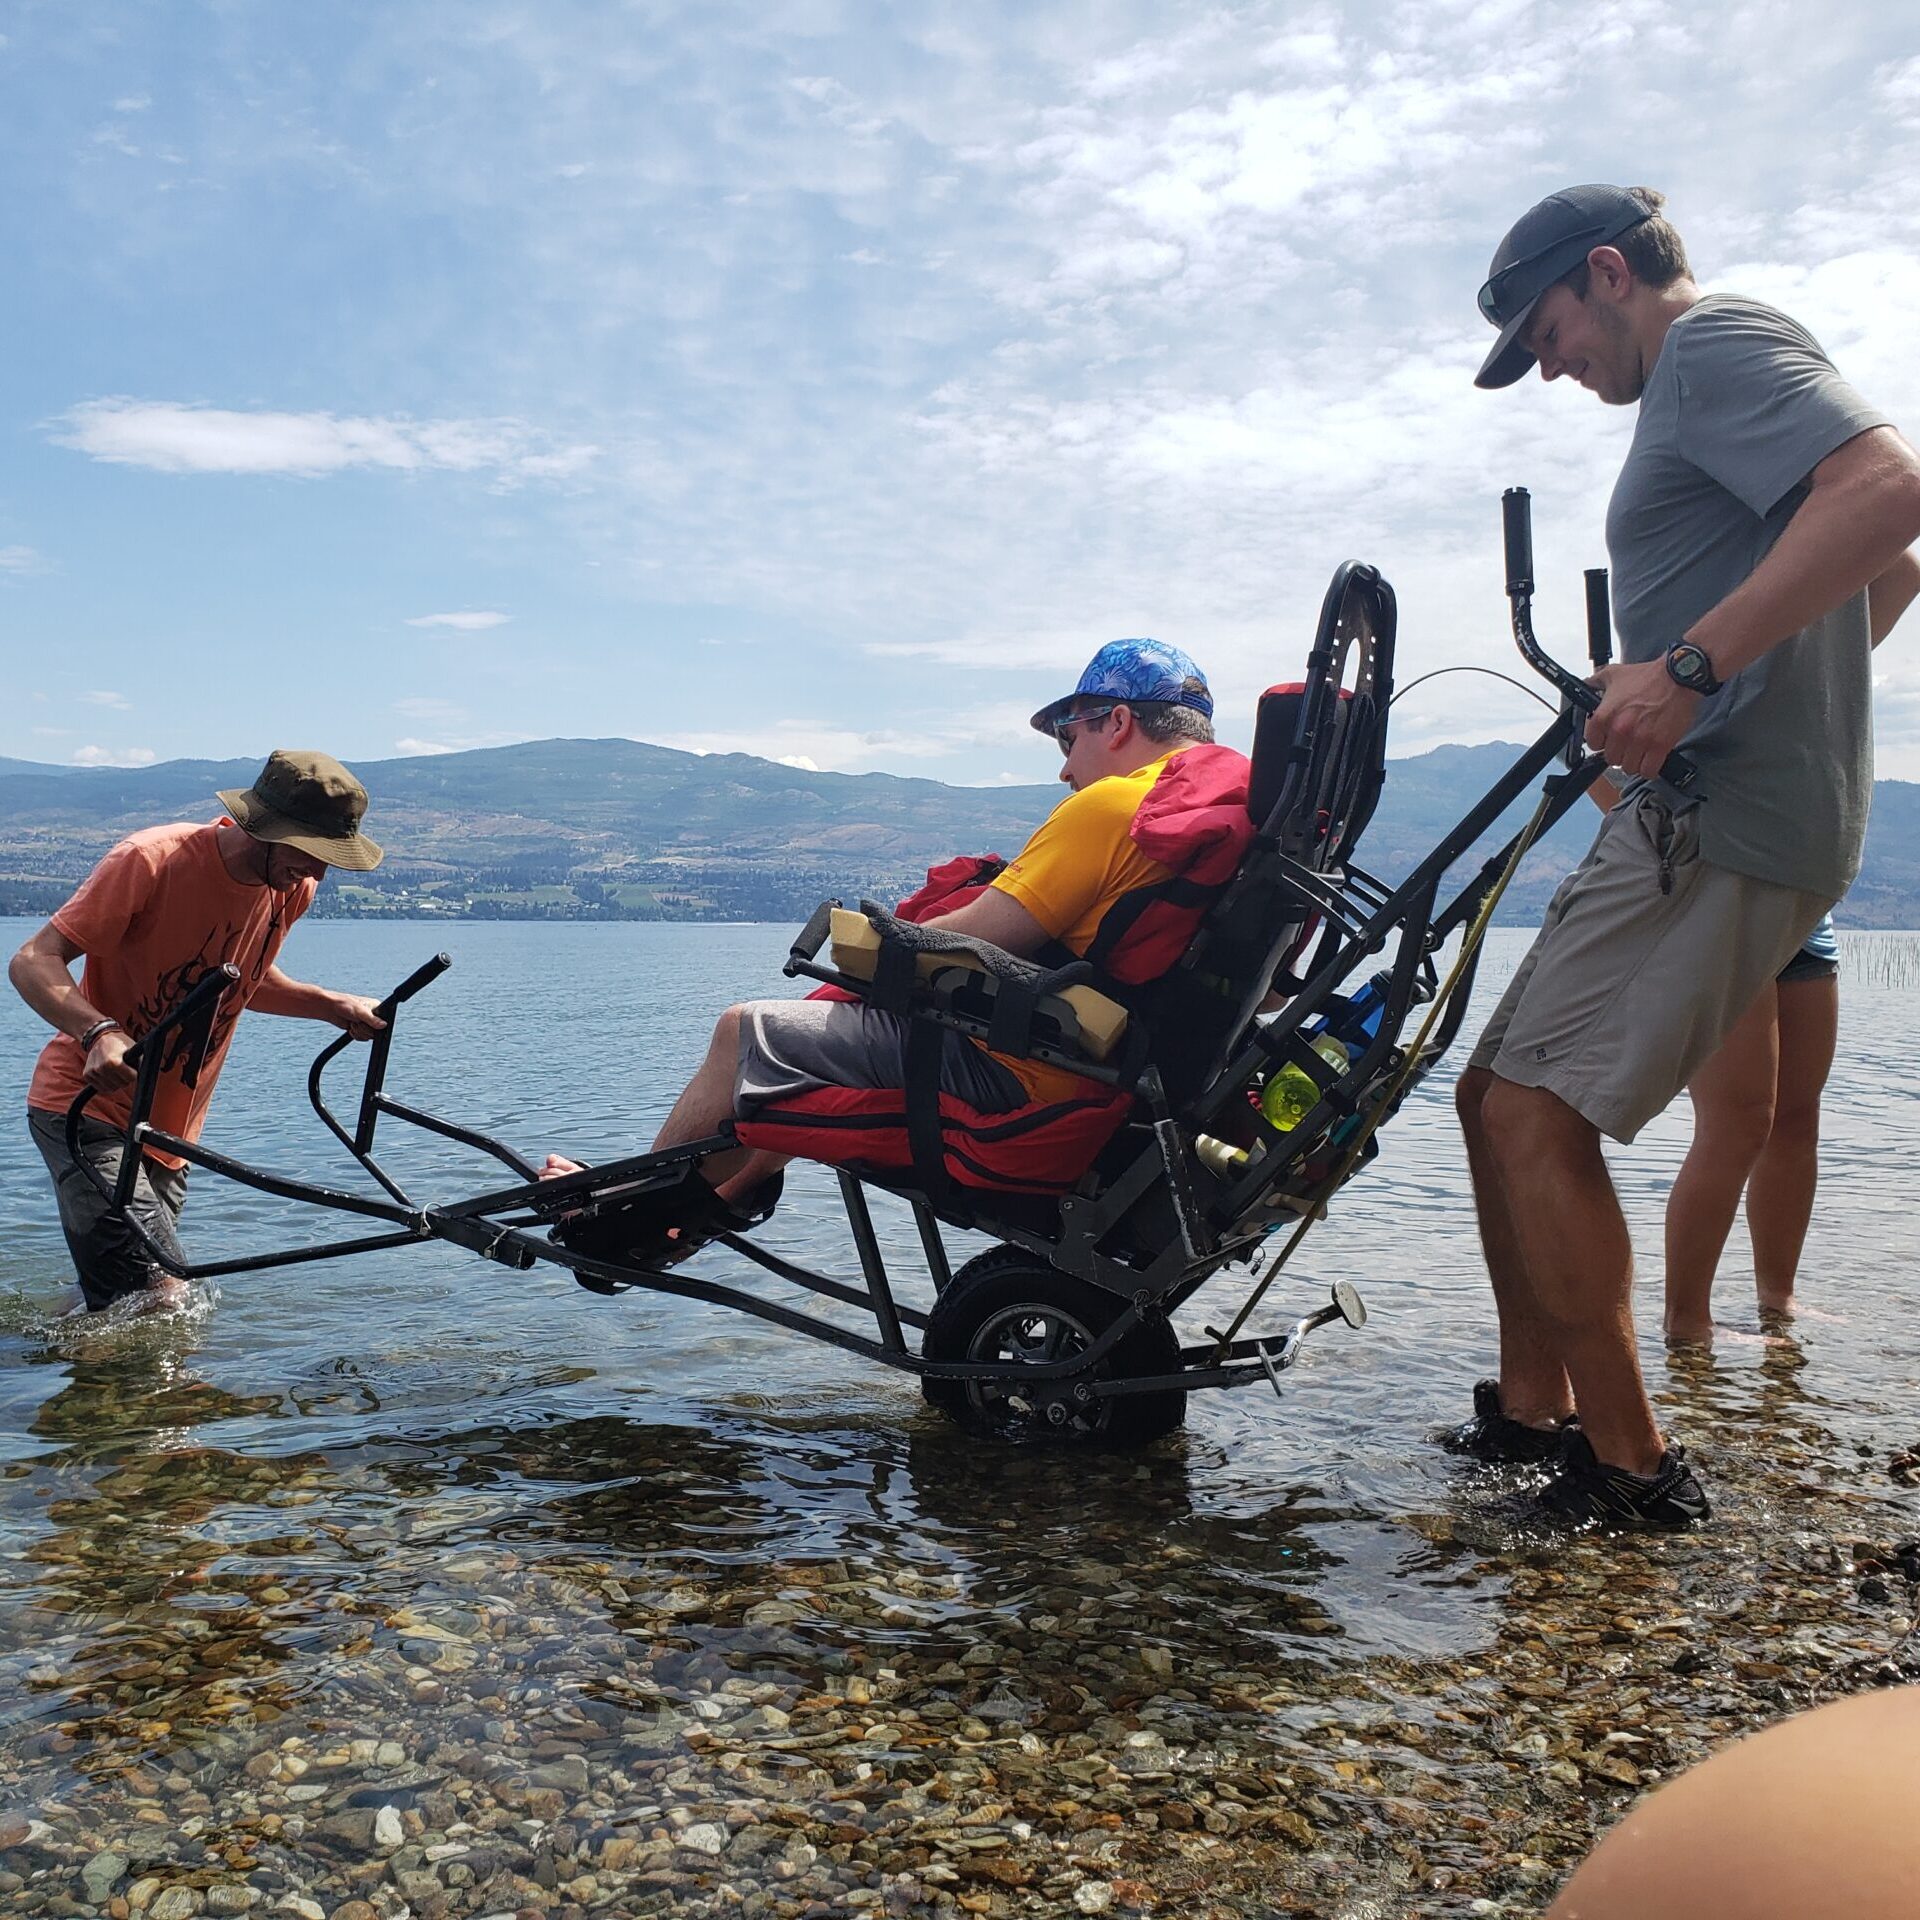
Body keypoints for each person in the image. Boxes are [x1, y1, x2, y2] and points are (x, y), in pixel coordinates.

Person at [1447, 183, 1920, 1527]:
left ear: (1606, 272)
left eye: (1547, 332)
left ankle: (1633, 1470)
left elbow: (1893, 494)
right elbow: (1881, 581)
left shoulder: (1714, 345)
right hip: (1694, 805)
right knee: (1491, 1100)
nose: (1549, 365)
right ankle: (1533, 1413)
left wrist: (1698, 674)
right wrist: (1693, 684)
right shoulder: (1691, 391)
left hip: (1729, 825)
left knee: (1537, 1115)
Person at [538, 640, 1244, 1255]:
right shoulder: (1230, 826)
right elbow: (1267, 993)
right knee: (821, 1041)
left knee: (744, 1032)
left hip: (1026, 1070)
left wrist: (878, 936)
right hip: (1110, 1071)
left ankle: (624, 1211)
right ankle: (713, 1200)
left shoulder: (1114, 808)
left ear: (1117, 721)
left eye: (1068, 736)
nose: (1064, 768)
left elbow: (968, 941)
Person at [1601, 549, 1918, 1344]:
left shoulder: (1795, 666)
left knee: (1796, 1120)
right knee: (1739, 1121)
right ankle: (1688, 1323)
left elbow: (1903, 566)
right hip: (1716, 887)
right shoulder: (1657, 673)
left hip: (1804, 899)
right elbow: (1607, 781)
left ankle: (1777, 1300)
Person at [10, 750, 388, 1314]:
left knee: (118, 1301)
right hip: (87, 1108)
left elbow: (243, 980)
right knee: (163, 1297)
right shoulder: (151, 861)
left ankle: (37, 1363)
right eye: (312, 853)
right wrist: (98, 1033)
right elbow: (33, 959)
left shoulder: (289, 887)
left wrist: (329, 1005)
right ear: (262, 827)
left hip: (169, 1133)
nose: (318, 873)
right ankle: (169, 1403)